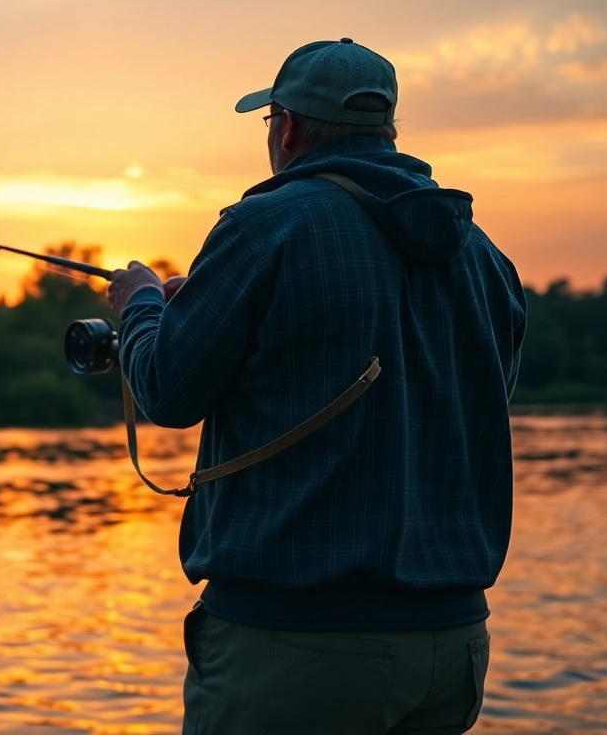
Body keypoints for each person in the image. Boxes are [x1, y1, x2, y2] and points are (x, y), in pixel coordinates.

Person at [106, 38, 526, 734]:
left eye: (270, 121)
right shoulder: (485, 257)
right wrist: (208, 309)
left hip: (296, 651)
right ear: (386, 130)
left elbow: (169, 392)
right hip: (452, 650)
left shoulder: (264, 226)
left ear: (288, 128)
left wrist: (144, 304)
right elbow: (463, 407)